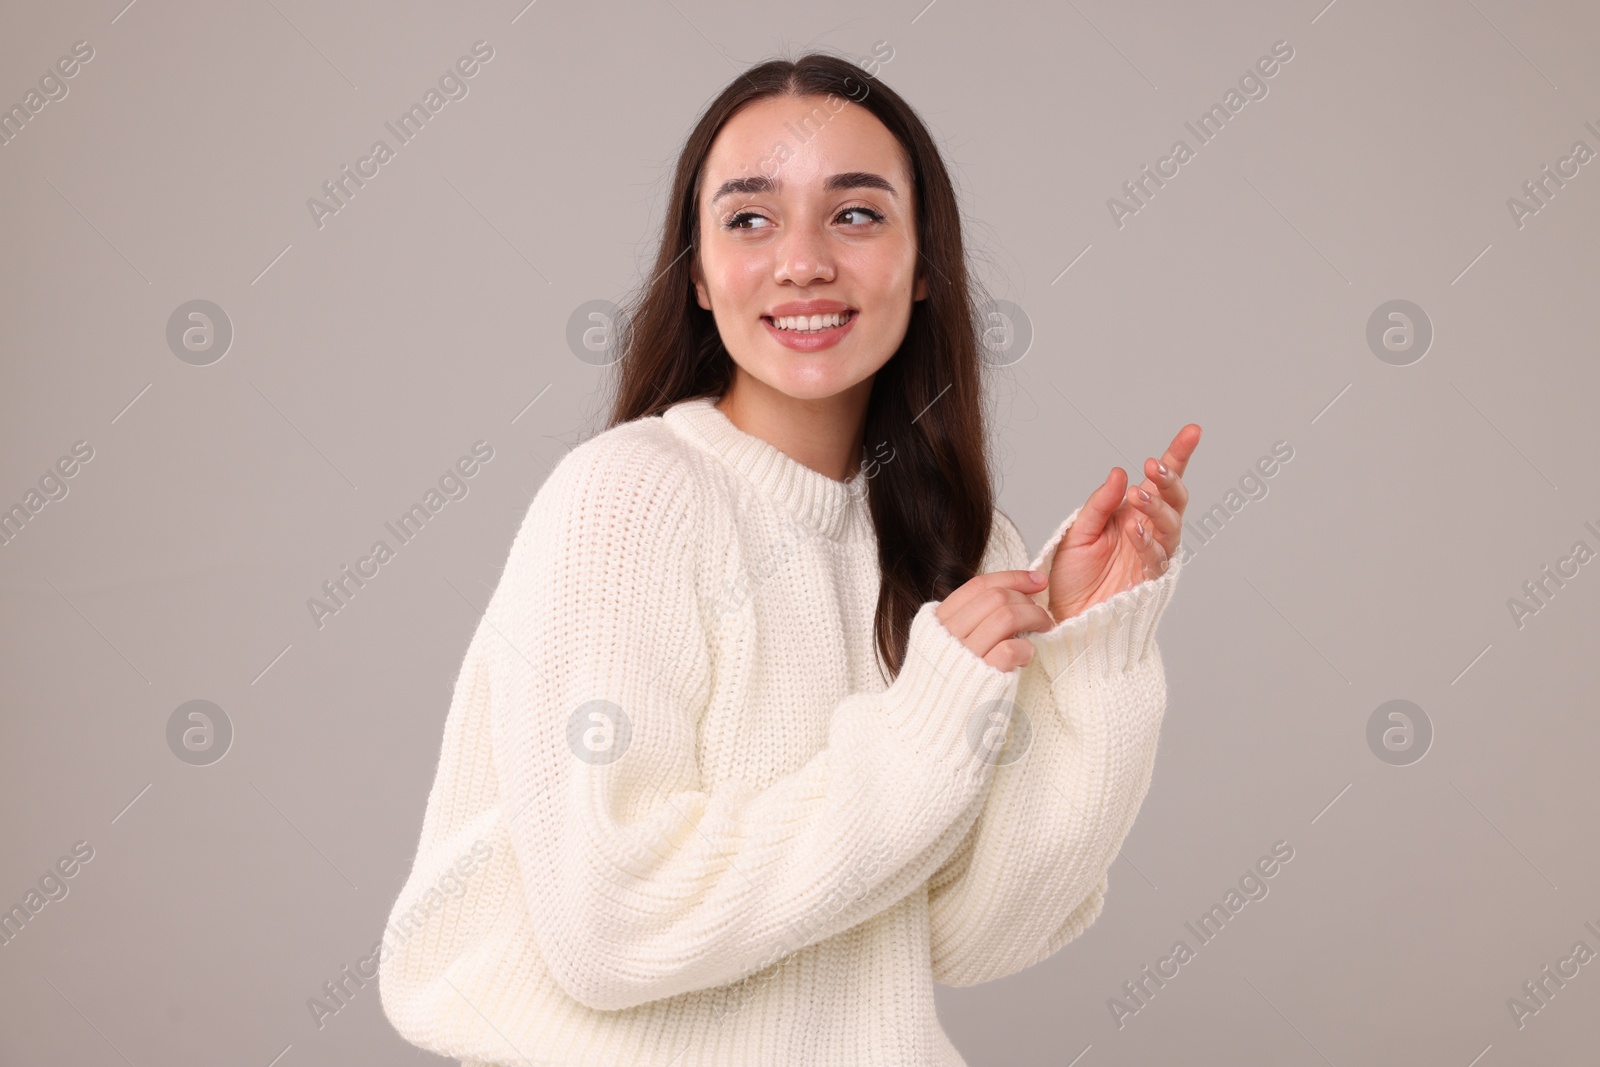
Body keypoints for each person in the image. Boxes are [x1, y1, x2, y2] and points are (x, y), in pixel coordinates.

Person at [378, 50, 1200, 1067]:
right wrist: (920, 727)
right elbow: (609, 922)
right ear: (697, 271)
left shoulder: (961, 544)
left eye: (854, 214)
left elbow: (975, 933)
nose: (802, 260)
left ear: (925, 261)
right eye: (749, 217)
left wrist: (1084, 651)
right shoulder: (628, 496)